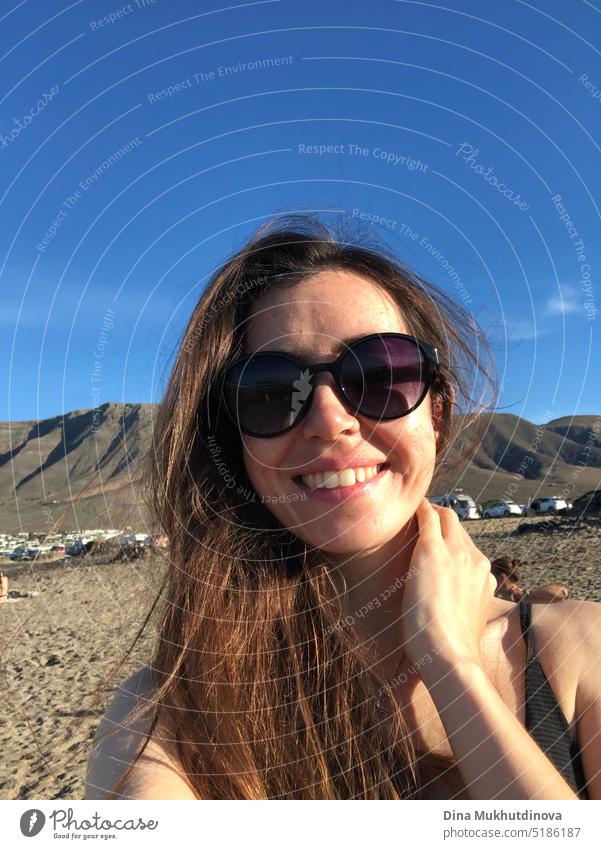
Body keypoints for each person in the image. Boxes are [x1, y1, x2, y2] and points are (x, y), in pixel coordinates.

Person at [85, 214, 601, 801]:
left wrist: (452, 666)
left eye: (381, 375)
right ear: (235, 443)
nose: (331, 421)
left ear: (436, 411)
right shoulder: (172, 715)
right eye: (272, 392)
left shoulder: (581, 648)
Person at [491, 557, 570, 604]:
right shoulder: (497, 598)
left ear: (502, 578)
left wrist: (524, 593)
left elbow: (562, 593)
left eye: (490, 575)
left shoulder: (523, 597)